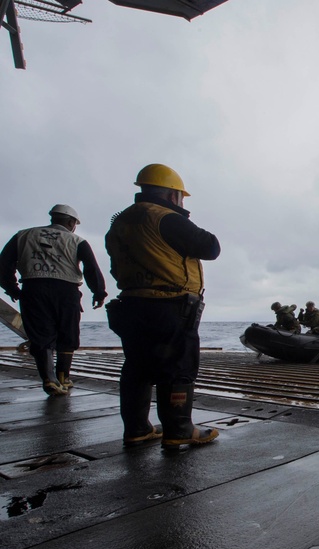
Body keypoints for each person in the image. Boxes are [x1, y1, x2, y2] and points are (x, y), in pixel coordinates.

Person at [104, 164, 221, 447]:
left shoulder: (120, 222)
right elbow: (210, 247)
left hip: (131, 303)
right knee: (178, 365)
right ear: (173, 195)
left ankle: (136, 428)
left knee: (136, 367)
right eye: (181, 198)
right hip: (169, 305)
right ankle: (179, 428)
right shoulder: (165, 218)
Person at [0, 204, 107, 396]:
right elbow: (91, 268)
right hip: (66, 291)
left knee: (41, 335)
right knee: (68, 332)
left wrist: (12, 288)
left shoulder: (22, 236)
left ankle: (49, 379)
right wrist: (99, 292)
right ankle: (64, 377)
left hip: (33, 288)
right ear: (72, 222)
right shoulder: (77, 241)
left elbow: (3, 264)